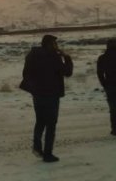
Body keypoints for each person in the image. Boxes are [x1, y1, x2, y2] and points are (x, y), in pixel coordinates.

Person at [20, 34, 73, 163]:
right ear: (50, 44)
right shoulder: (53, 56)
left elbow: (25, 73)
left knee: (40, 121)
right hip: (51, 94)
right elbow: (67, 72)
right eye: (55, 43)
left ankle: (37, 148)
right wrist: (67, 58)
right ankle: (48, 154)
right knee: (51, 124)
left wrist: (34, 88)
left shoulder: (32, 55)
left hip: (38, 94)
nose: (57, 46)